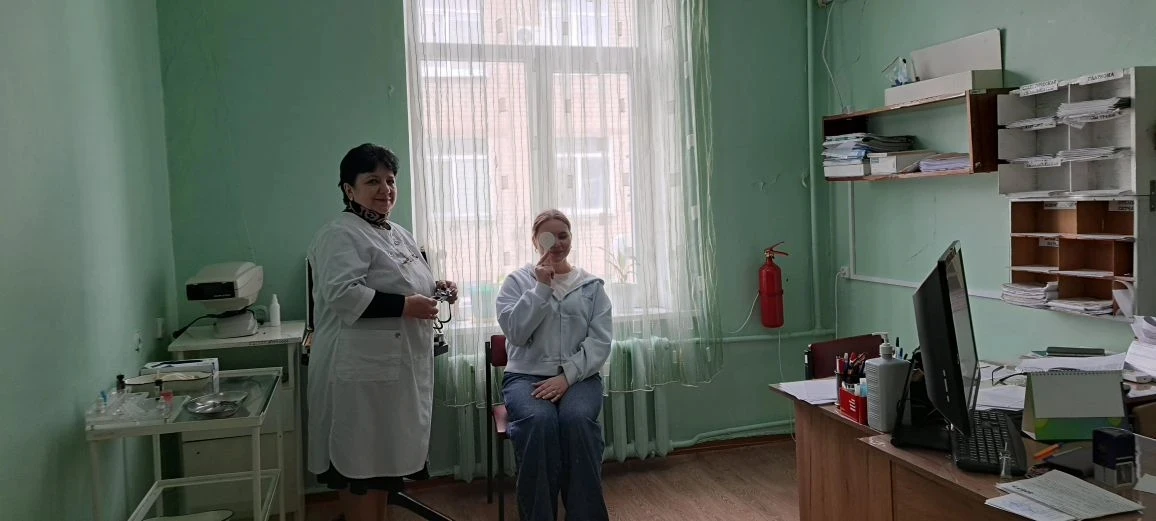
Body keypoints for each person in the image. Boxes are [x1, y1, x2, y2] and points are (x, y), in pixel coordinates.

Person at [307, 143, 457, 521]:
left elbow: (405, 282)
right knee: (360, 467)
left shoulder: (397, 232)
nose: (385, 189)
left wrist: (437, 287)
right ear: (349, 189)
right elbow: (343, 294)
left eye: (390, 180)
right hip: (358, 377)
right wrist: (407, 306)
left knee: (379, 470)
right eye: (372, 180)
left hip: (391, 374)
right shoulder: (341, 233)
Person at [495, 209, 613, 521]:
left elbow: (600, 341)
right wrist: (540, 288)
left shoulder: (591, 286)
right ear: (535, 240)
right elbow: (516, 333)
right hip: (525, 377)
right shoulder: (517, 282)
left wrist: (567, 377)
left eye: (563, 235)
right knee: (538, 422)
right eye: (548, 237)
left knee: (577, 421)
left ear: (571, 237)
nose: (557, 243)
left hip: (580, 377)